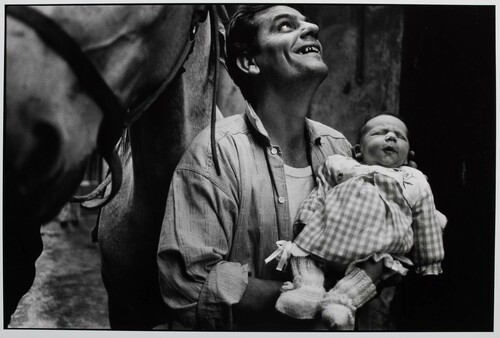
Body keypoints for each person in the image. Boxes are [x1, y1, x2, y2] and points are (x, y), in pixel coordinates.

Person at [156, 5, 394, 330]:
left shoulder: (337, 147)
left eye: (307, 22)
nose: (311, 27)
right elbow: (190, 283)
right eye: (285, 26)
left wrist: (395, 203)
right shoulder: (215, 153)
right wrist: (308, 301)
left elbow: (367, 245)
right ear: (249, 62)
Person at [267, 114, 446, 330]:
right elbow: (321, 192)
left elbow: (425, 221)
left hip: (375, 250)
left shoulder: (414, 180)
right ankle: (307, 289)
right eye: (380, 133)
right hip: (327, 237)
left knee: (379, 266)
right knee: (303, 251)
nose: (391, 137)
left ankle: (342, 302)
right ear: (359, 150)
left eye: (400, 137)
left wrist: (429, 262)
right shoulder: (341, 165)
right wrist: (305, 221)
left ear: (408, 155)